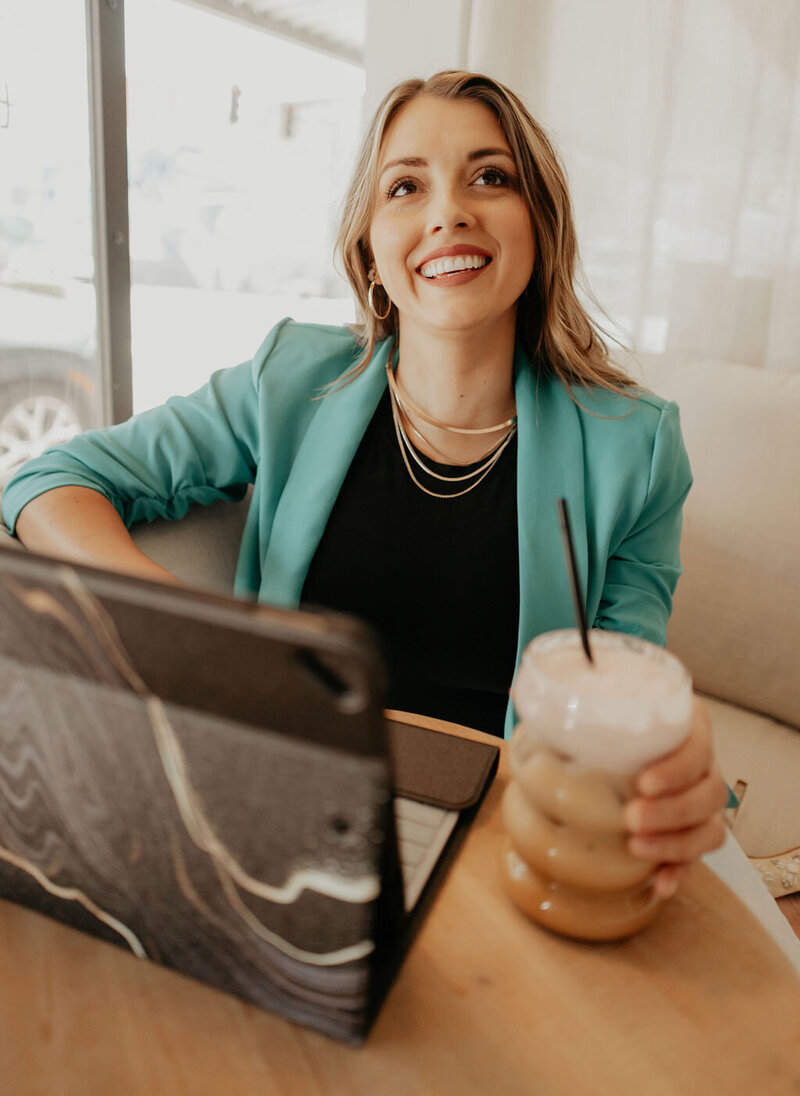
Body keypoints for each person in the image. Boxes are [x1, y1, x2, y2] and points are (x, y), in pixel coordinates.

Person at [1, 70, 728, 898]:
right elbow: (51, 480)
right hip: (280, 810)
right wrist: (193, 630)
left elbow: (628, 680)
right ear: (371, 252)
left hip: (503, 838)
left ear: (541, 227)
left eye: (490, 177)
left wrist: (664, 772)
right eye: (406, 185)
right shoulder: (288, 380)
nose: (448, 211)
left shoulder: (636, 446)